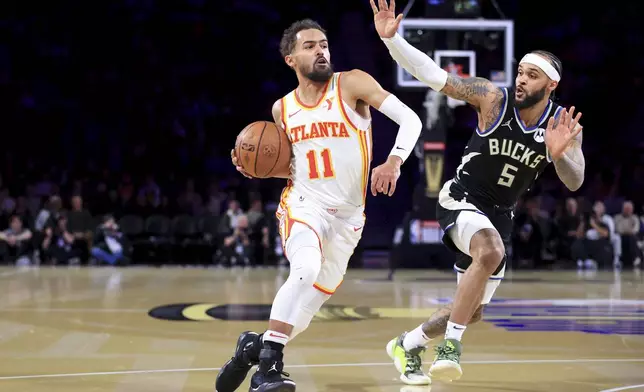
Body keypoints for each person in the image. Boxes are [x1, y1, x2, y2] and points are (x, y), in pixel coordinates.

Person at [370, 0, 586, 384]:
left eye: (532, 75)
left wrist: (559, 157)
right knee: (490, 252)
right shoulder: (493, 98)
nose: (521, 79)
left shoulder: (563, 126)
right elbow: (433, 74)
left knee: (470, 310)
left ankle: (407, 343)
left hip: (500, 213)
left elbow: (575, 180)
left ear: (551, 85)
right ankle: (451, 347)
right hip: (461, 198)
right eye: (520, 71)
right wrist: (393, 42)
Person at [216, 18, 423, 392]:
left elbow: (410, 119)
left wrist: (394, 160)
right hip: (303, 205)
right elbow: (294, 166)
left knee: (306, 313)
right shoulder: (283, 110)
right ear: (290, 59)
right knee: (305, 268)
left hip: (348, 218)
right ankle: (268, 370)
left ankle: (253, 347)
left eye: (324, 44)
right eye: (310, 45)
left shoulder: (352, 83)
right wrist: (256, 169)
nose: (321, 50)